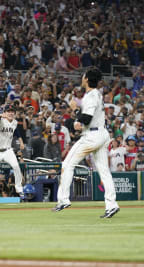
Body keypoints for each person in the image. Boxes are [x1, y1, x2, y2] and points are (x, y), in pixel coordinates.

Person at [53, 67, 119, 218]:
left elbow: (86, 118)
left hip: (92, 136)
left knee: (67, 164)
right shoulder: (97, 94)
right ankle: (111, 204)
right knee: (104, 171)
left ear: (87, 79)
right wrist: (79, 120)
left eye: (84, 76)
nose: (82, 77)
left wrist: (76, 111)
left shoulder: (90, 96)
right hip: (101, 133)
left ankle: (63, 200)